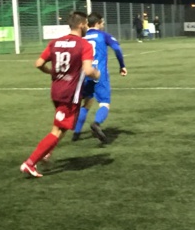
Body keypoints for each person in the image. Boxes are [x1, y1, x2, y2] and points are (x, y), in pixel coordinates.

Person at [20, 11, 100, 178]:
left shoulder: (55, 42)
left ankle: (46, 152)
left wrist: (51, 72)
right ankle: (30, 163)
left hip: (56, 90)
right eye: (86, 24)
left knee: (62, 126)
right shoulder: (83, 45)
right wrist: (96, 74)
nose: (87, 27)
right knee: (57, 130)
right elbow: (88, 70)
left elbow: (38, 63)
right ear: (81, 25)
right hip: (69, 94)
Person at [72, 12, 128, 143]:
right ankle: (96, 123)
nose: (103, 25)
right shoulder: (103, 35)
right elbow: (117, 49)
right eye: (102, 22)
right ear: (97, 23)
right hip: (99, 73)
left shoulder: (82, 37)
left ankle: (76, 133)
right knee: (104, 103)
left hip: (85, 73)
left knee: (87, 102)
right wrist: (122, 65)